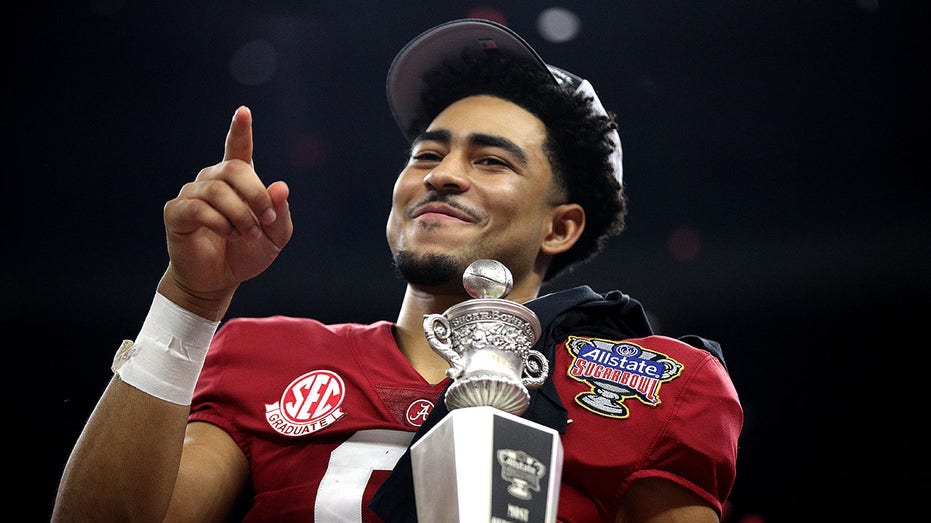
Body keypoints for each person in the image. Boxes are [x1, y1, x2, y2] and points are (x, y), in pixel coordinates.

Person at [52, 18, 742, 523]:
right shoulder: (265, 355)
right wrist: (191, 300)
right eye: (426, 153)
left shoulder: (647, 382)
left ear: (560, 225)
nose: (441, 174)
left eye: (490, 160)